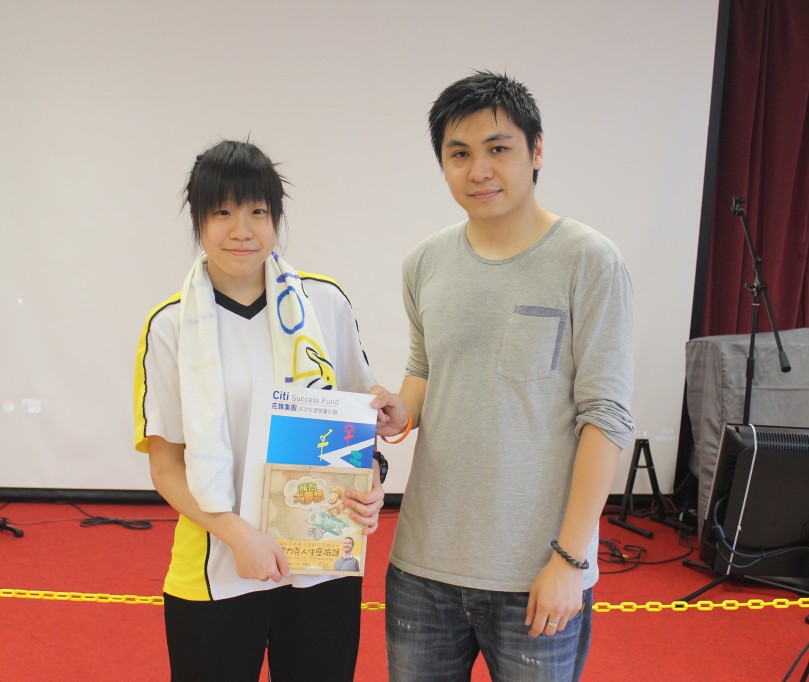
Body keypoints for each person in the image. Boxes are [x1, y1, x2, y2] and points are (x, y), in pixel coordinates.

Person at [371, 71, 635, 681]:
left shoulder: (590, 261)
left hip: (537, 572)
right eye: (459, 154)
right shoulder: (424, 262)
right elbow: (425, 369)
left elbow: (606, 417)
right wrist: (401, 410)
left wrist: (570, 559)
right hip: (422, 567)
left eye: (498, 149)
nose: (480, 170)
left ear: (536, 151)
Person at [134, 139, 385, 681]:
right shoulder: (171, 326)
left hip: (322, 565)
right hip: (216, 570)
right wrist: (239, 535)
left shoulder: (323, 304)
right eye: (223, 212)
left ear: (276, 219)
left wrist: (372, 482)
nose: (241, 230)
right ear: (199, 221)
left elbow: (358, 426)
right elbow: (165, 465)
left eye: (257, 212)